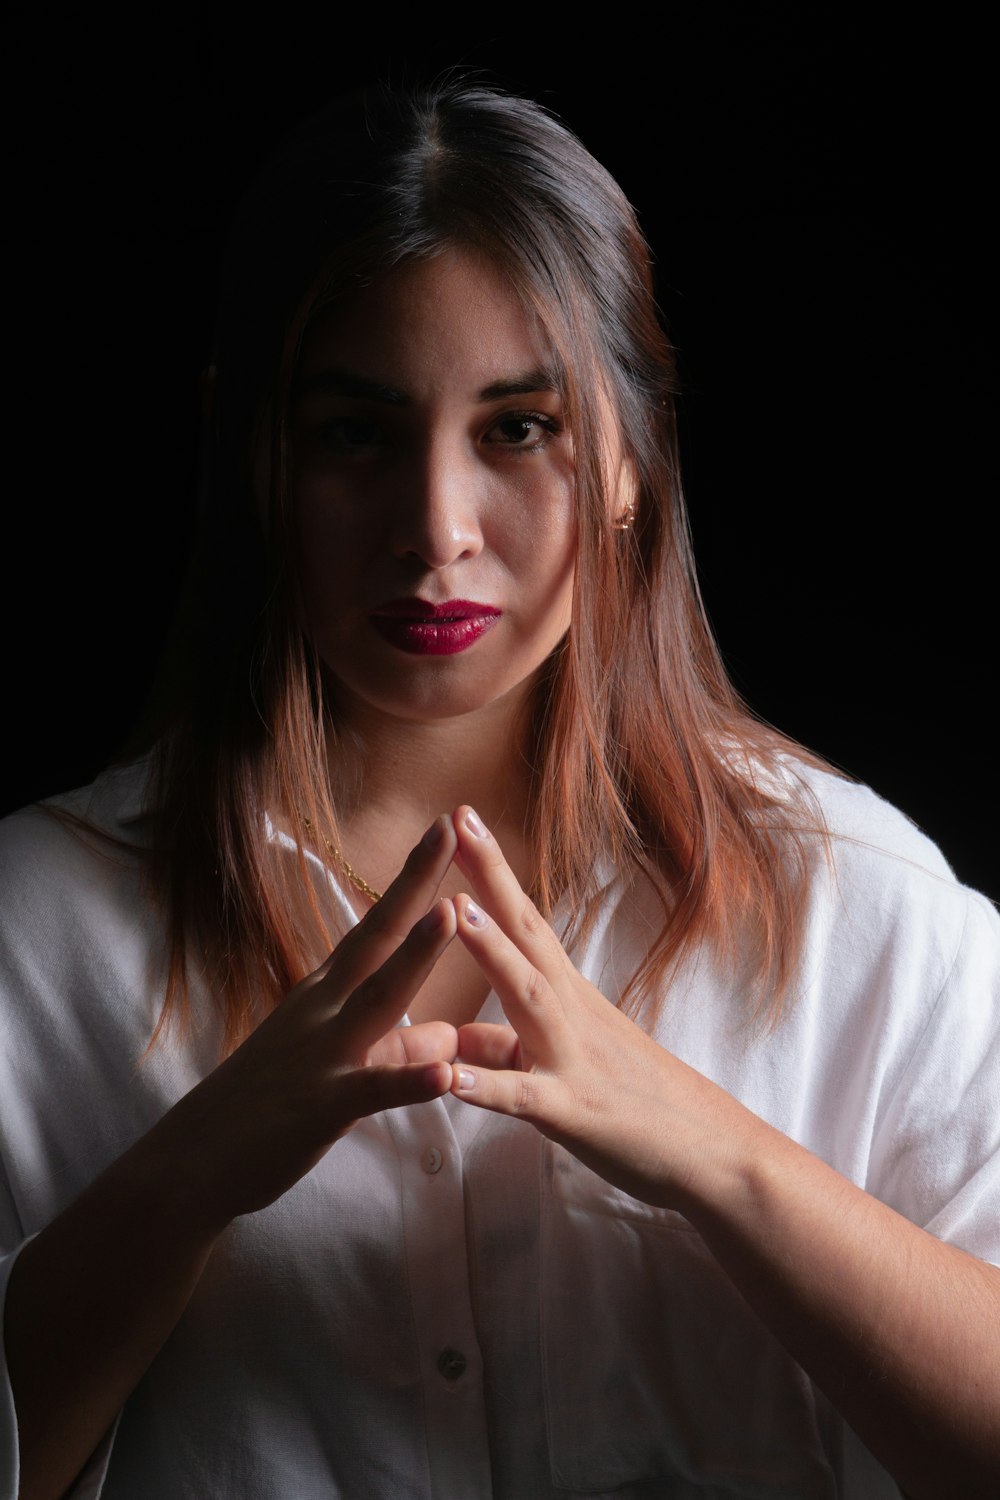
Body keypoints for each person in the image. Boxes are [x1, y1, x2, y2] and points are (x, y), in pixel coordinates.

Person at [1, 79, 997, 1500]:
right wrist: (191, 1174)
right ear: (256, 455)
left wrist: (719, 1155)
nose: (436, 529)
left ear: (632, 464)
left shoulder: (866, 908)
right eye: (355, 431)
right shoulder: (32, 933)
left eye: (519, 427)